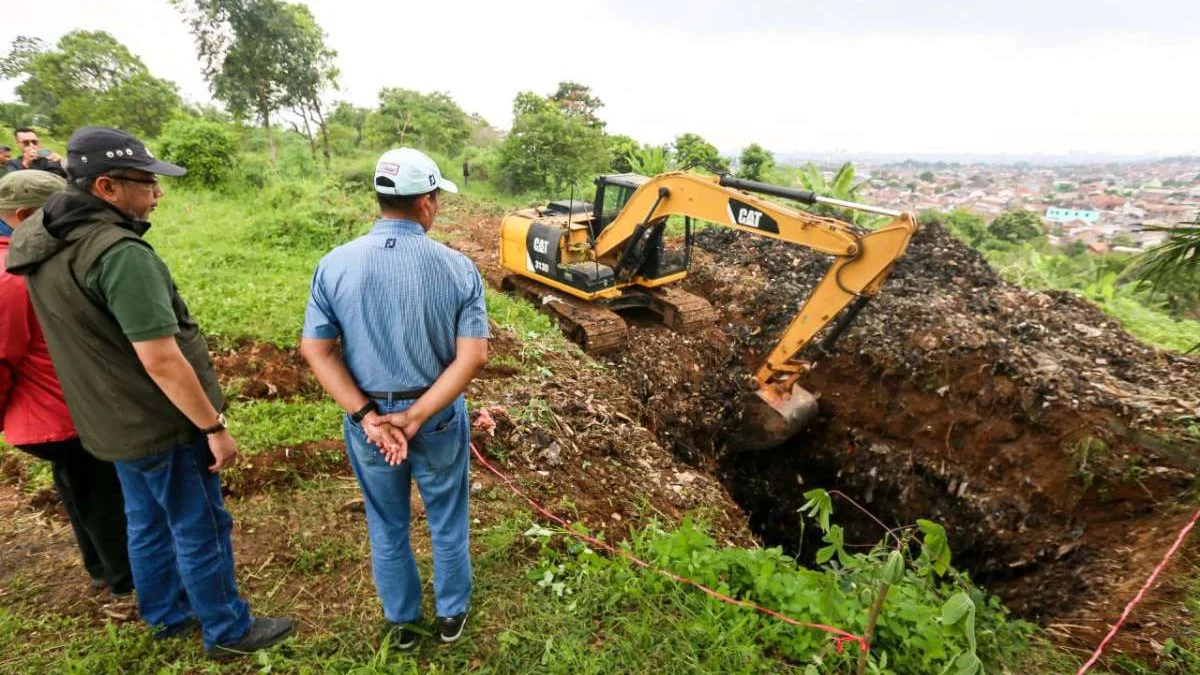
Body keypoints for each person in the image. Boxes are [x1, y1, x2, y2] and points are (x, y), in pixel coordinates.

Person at [5, 126, 294, 660]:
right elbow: (161, 358)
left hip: (108, 422)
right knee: (201, 524)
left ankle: (165, 615)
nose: (157, 193)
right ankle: (228, 632)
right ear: (107, 188)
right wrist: (213, 427)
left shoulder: (43, 239)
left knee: (145, 519)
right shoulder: (118, 255)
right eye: (146, 182)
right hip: (159, 422)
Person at [300, 147, 489, 649]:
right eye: (437, 199)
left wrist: (369, 417)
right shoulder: (457, 268)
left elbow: (317, 350)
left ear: (382, 198)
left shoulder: (334, 264)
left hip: (369, 421)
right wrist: (416, 416)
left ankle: (403, 623)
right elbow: (471, 358)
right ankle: (452, 615)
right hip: (437, 417)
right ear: (426, 202)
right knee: (447, 513)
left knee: (386, 520)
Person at [0, 170, 135, 603]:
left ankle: (100, 567)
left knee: (78, 488)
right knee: (101, 496)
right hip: (60, 412)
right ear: (22, 217)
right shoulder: (14, 277)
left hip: (54, 411)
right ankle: (124, 581)